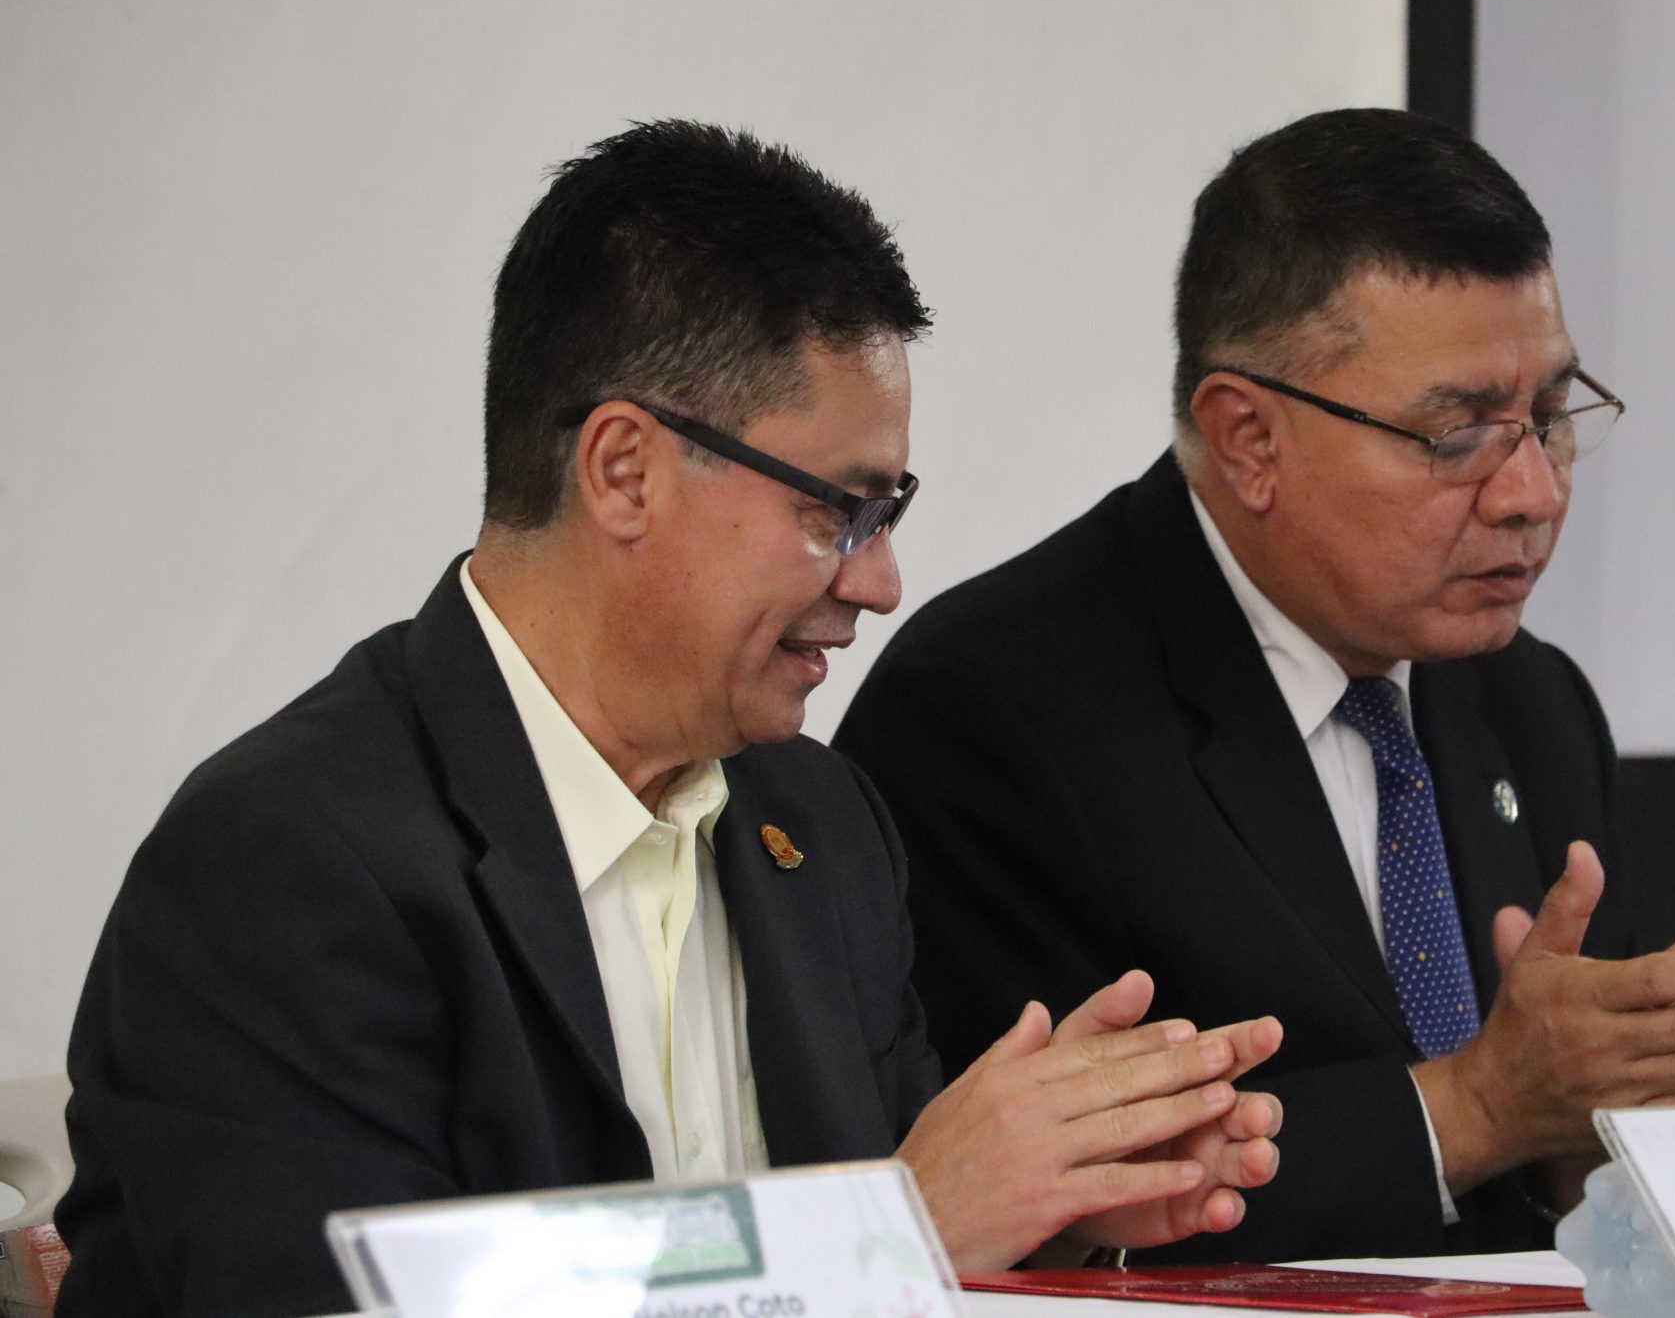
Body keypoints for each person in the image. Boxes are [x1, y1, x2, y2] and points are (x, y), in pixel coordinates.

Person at [54, 121, 1284, 1318]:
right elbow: (361, 1301)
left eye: (887, 515)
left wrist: (1049, 1209)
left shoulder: (819, 824)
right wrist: (893, 1230)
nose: (878, 583)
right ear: (624, 471)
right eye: (840, 511)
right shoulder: (287, 859)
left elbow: (904, 1260)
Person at [835, 107, 1675, 1264]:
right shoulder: (995, 711)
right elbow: (1045, 1222)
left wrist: (1633, 1114)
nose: (1531, 493)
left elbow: (1562, 1162)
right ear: (1248, 439)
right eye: (1457, 434)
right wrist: (1479, 1107)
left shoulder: (1528, 703)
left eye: (1547, 417)